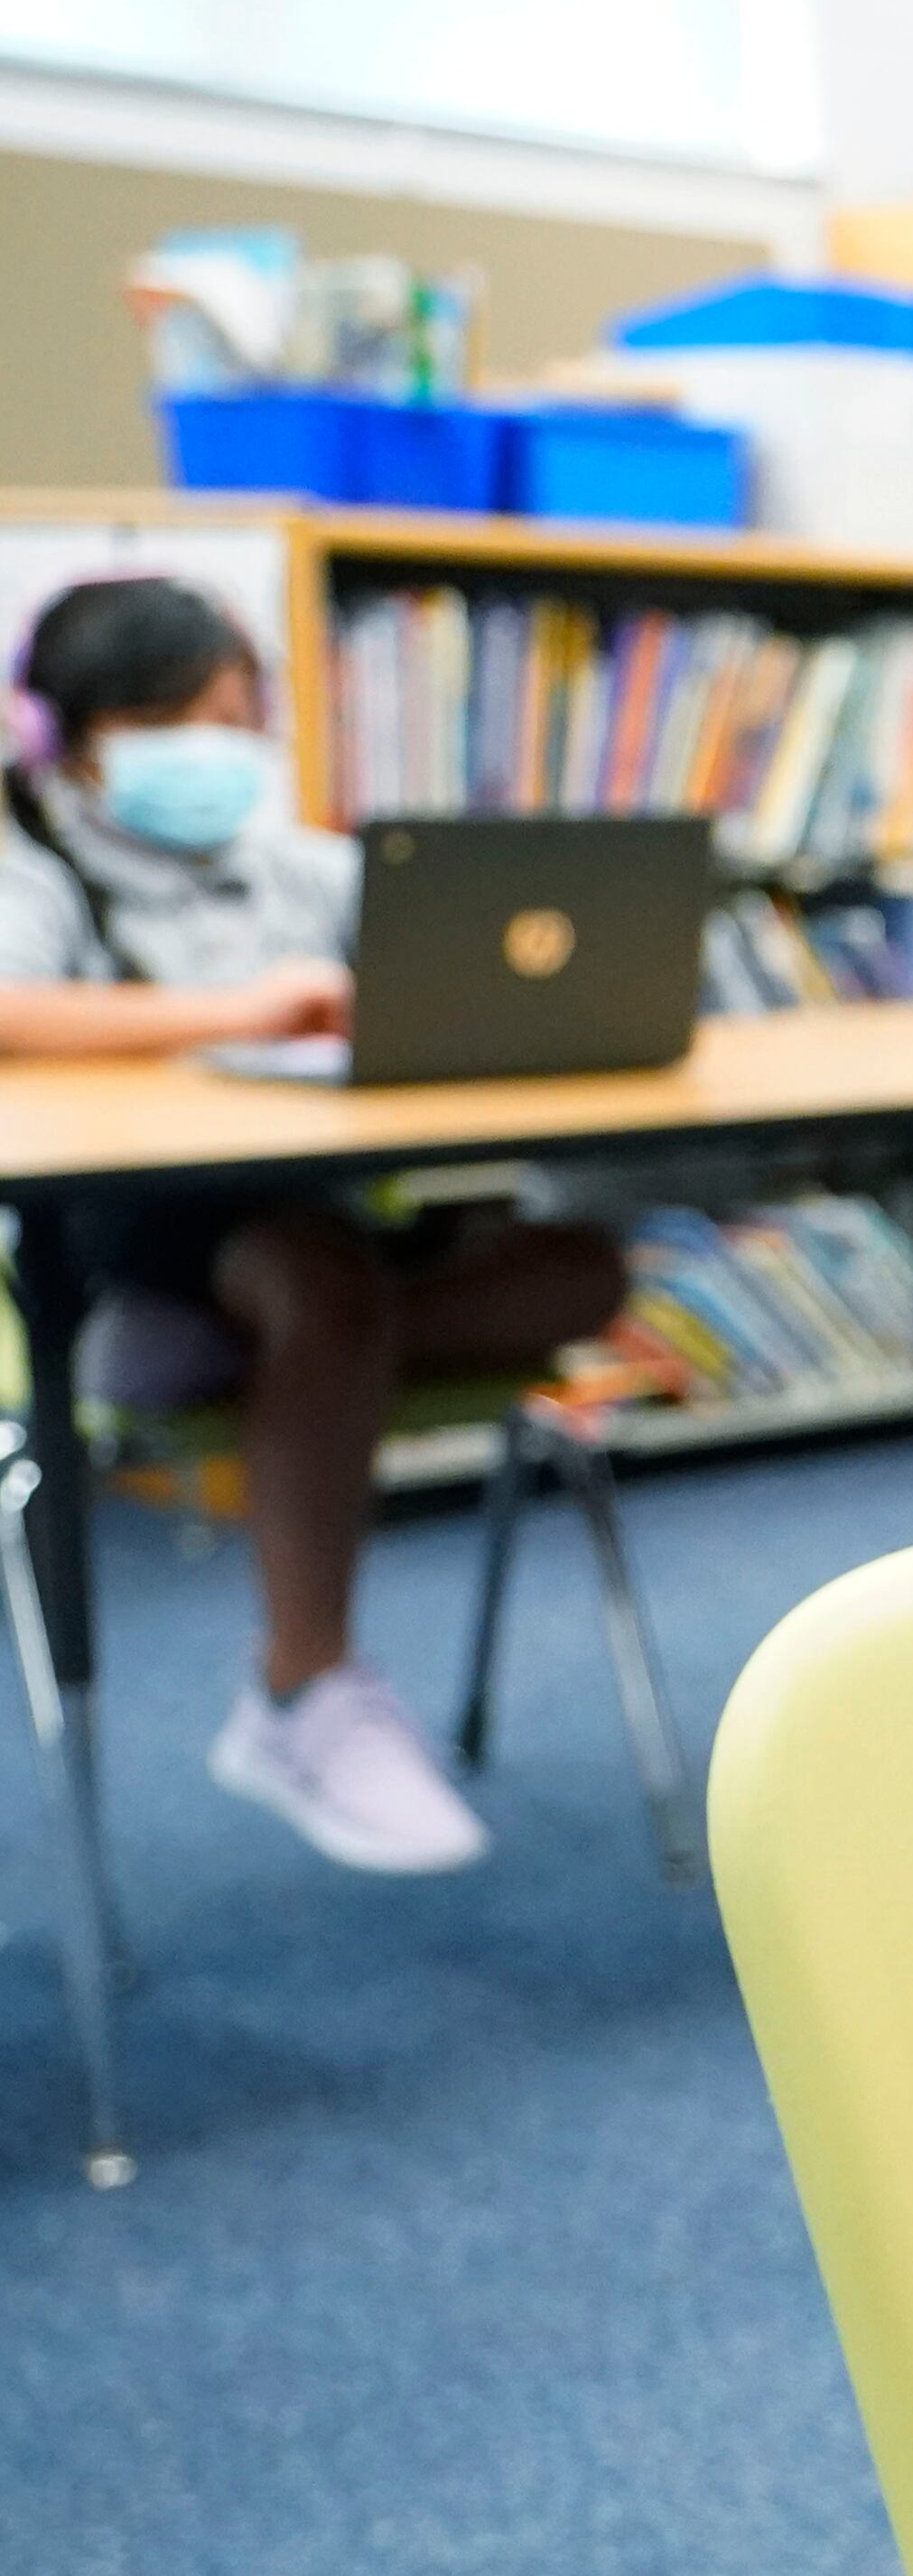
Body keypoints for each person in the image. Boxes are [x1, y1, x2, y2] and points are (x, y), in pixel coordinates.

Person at [0, 576, 625, 1874]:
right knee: (320, 1285)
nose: (224, 752)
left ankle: (287, 1367)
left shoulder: (297, 864)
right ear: (83, 737)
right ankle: (303, 1689)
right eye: (189, 720)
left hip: (322, 1203)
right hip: (128, 1232)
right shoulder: (32, 857)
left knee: (575, 1270)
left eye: (242, 719)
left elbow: (444, 947)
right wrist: (243, 1011)